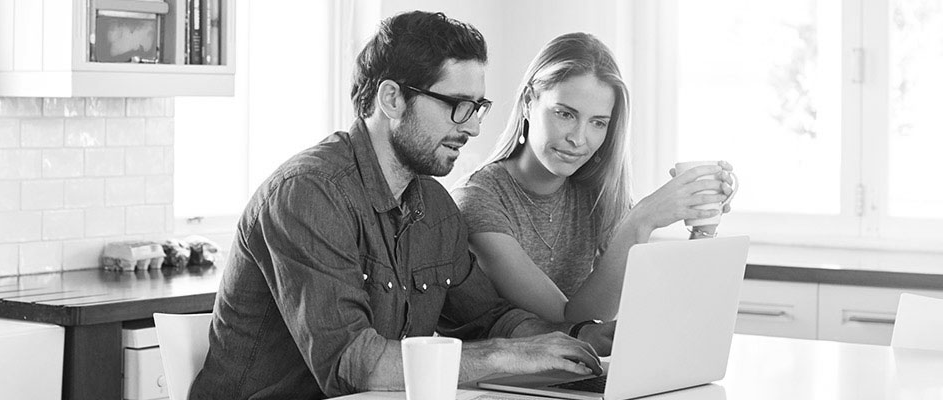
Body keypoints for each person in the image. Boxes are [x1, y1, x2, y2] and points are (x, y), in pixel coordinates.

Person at [190, 12, 603, 400]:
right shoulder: (307, 193)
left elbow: (488, 318)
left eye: (478, 108)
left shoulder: (436, 207)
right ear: (392, 99)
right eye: (458, 106)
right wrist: (504, 357)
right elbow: (354, 364)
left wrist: (582, 336)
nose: (474, 127)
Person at [451, 33, 735, 346]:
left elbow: (652, 301)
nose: (578, 138)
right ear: (529, 102)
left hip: (574, 369)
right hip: (501, 379)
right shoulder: (479, 198)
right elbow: (569, 318)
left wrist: (704, 220)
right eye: (565, 114)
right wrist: (641, 220)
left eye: (598, 123)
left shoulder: (593, 192)